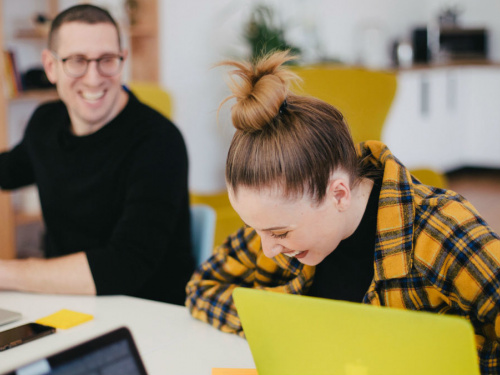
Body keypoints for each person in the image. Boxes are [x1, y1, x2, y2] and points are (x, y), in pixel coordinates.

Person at [186, 50, 500, 373]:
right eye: (256, 229)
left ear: (338, 194)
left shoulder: (440, 231)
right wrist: (287, 326)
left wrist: (429, 360)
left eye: (279, 232)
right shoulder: (278, 225)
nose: (268, 248)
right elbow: (201, 289)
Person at [0, 4, 194, 305]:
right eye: (77, 61)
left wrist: (6, 273)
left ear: (123, 61)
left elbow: (125, 266)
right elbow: (8, 170)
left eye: (106, 60)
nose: (93, 78)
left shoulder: (159, 141)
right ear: (51, 66)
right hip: (64, 305)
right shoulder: (45, 123)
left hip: (148, 315)